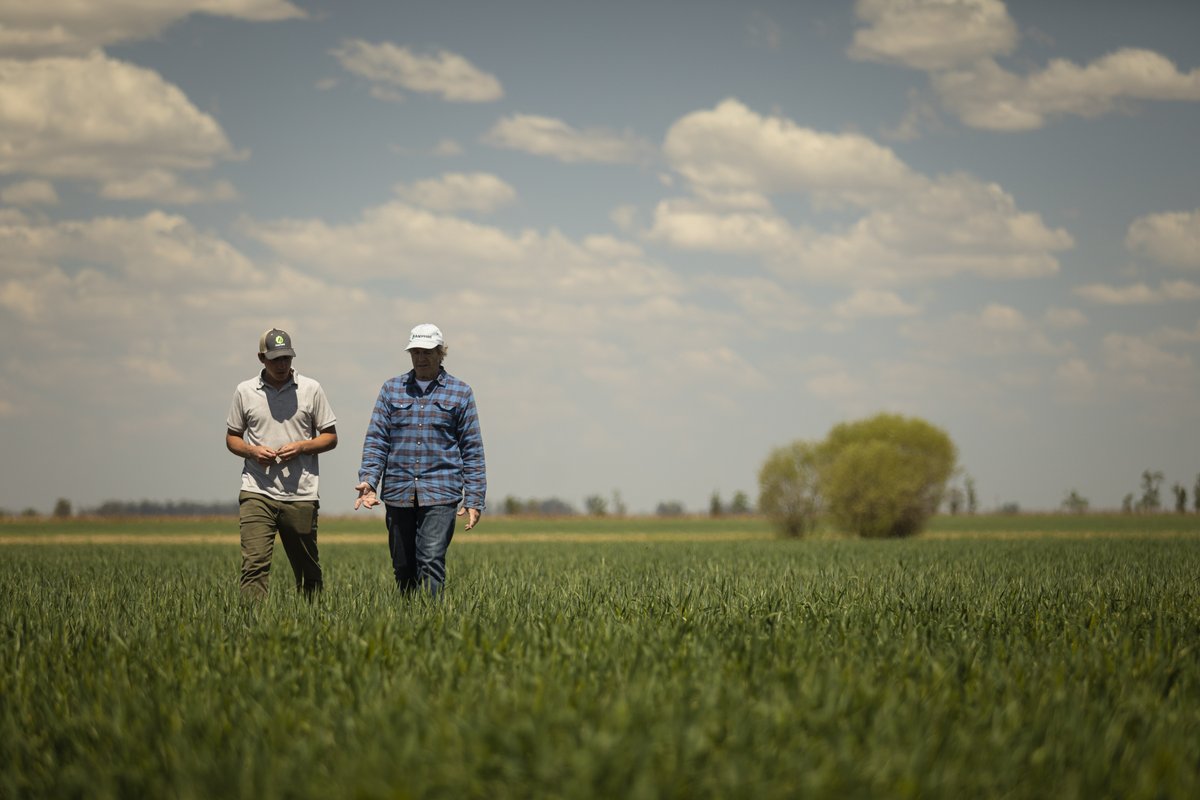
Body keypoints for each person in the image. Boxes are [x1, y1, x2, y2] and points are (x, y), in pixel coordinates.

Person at [355, 323, 486, 597]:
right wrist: (368, 481)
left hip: (441, 491)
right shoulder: (392, 390)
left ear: (441, 353)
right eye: (415, 351)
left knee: (430, 559)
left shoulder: (460, 392)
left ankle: (430, 622)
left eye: (427, 351)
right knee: (403, 566)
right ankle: (409, 619)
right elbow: (377, 439)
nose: (421, 357)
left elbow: (472, 449)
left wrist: (474, 498)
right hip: (398, 491)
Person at [225, 328, 338, 599]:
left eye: (286, 358)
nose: (282, 365)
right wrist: (252, 452)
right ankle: (251, 625)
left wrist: (301, 447)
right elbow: (232, 438)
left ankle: (314, 619)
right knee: (254, 563)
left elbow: (330, 438)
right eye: (275, 359)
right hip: (257, 489)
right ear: (261, 358)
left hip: (301, 493)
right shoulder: (245, 391)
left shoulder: (311, 389)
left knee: (307, 567)